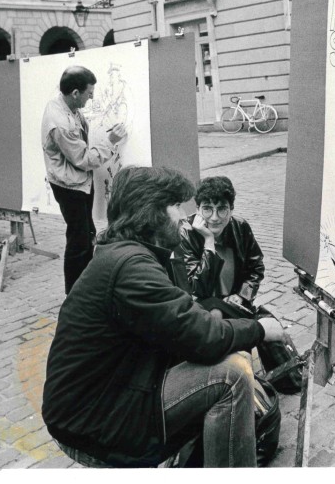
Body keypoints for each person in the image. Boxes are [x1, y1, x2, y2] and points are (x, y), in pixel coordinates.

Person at [42, 166, 285, 468]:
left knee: (219, 363)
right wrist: (260, 329)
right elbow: (204, 335)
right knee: (232, 375)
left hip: (113, 392)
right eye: (175, 207)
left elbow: (185, 311)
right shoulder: (131, 266)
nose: (184, 217)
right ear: (151, 213)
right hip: (94, 418)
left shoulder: (129, 254)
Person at [41, 65, 126, 294]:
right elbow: (84, 159)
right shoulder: (61, 122)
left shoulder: (64, 104)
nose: (93, 98)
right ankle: (74, 294)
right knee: (78, 240)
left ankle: (85, 287)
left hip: (77, 182)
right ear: (75, 93)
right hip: (71, 186)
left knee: (86, 234)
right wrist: (110, 140)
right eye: (89, 93)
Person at [176, 176, 264, 306]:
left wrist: (242, 295)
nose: (215, 217)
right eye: (207, 209)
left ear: (231, 210)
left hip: (233, 305)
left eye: (222, 209)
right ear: (198, 209)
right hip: (201, 308)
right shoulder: (186, 233)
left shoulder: (240, 227)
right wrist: (209, 241)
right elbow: (197, 288)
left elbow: (255, 268)